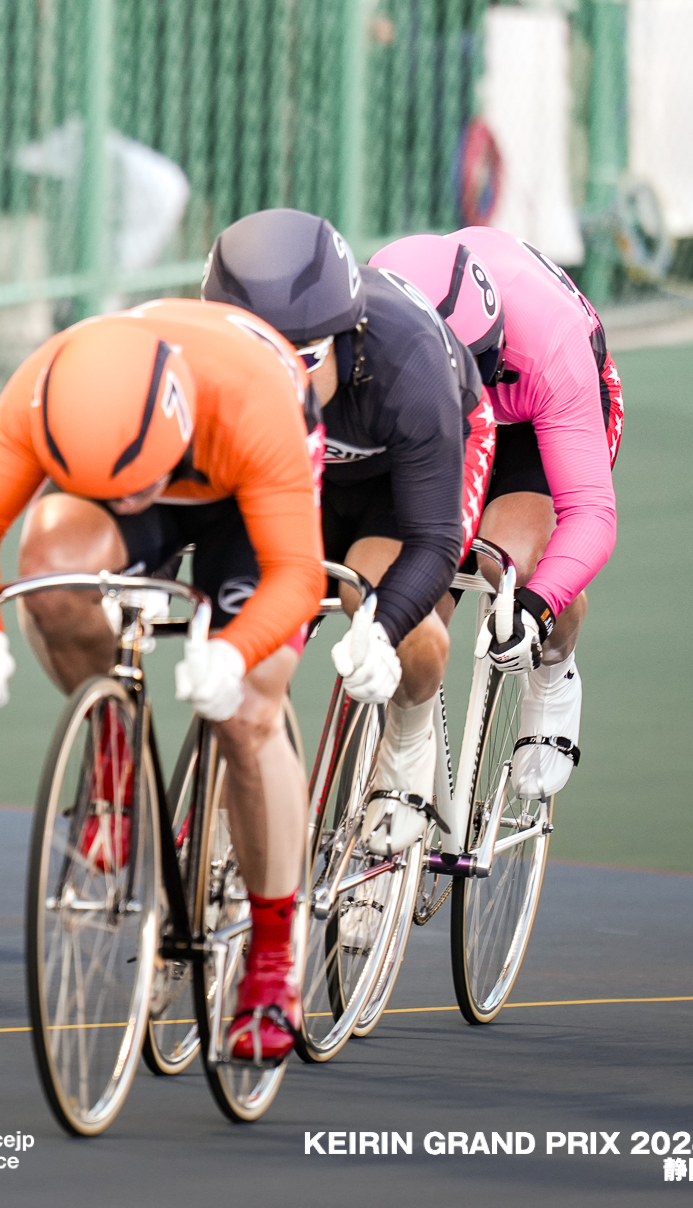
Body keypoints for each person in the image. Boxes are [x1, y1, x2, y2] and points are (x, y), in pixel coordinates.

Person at [0, 300, 325, 1061]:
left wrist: (237, 649)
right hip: (129, 455)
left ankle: (275, 960)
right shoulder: (41, 390)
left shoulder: (250, 399)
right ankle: (115, 759)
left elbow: (299, 575)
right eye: (106, 491)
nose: (125, 502)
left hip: (242, 495)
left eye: (136, 486)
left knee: (248, 712)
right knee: (50, 575)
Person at [202, 208, 495, 856]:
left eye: (302, 357)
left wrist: (384, 633)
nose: (284, 377)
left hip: (402, 489)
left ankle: (409, 736)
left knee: (384, 603)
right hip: (298, 476)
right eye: (259, 353)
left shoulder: (409, 363)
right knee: (252, 635)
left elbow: (435, 543)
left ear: (343, 333)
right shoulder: (211, 356)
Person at [369, 229, 621, 800]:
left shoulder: (549, 346)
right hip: (432, 418)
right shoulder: (377, 315)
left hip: (535, 419)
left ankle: (555, 672)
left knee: (514, 563)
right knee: (402, 583)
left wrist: (537, 606)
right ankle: (402, 741)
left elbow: (592, 513)